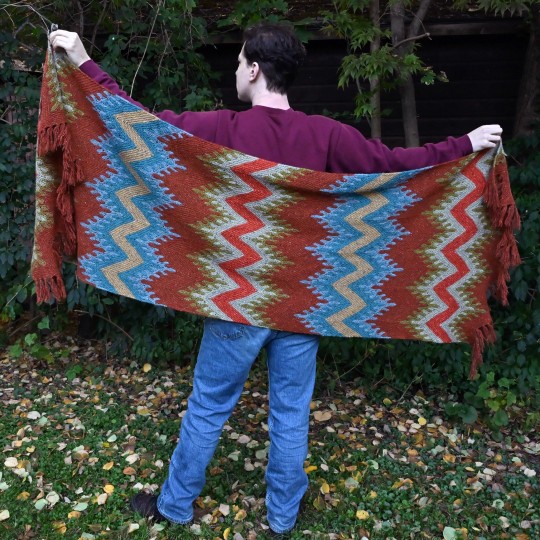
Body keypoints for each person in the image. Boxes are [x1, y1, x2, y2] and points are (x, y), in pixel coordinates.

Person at [49, 23, 502, 537]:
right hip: (301, 303)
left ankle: (175, 506)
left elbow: (137, 124)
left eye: (239, 62)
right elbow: (398, 167)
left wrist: (83, 61)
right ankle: (282, 517)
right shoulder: (326, 135)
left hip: (238, 300)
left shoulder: (223, 128)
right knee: (291, 411)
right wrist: (465, 144)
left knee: (209, 405)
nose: (235, 71)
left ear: (254, 69)